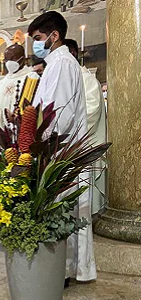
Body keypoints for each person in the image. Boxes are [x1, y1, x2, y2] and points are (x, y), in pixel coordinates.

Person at [29, 11, 95, 282]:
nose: (34, 44)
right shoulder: (57, 63)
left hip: (60, 150)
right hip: (56, 149)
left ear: (54, 36)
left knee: (64, 208)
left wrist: (40, 139)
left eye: (38, 38)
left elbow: (59, 113)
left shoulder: (62, 64)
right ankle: (65, 269)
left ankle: (66, 270)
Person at [65, 38, 107, 215]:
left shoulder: (86, 79)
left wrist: (67, 124)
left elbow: (92, 109)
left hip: (83, 145)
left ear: (72, 54)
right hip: (67, 144)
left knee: (83, 197)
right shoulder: (67, 78)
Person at [0, 43, 34, 126]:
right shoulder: (2, 83)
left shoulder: (32, 78)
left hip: (23, 130)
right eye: (6, 59)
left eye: (13, 59)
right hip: (2, 133)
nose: (9, 62)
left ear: (23, 58)